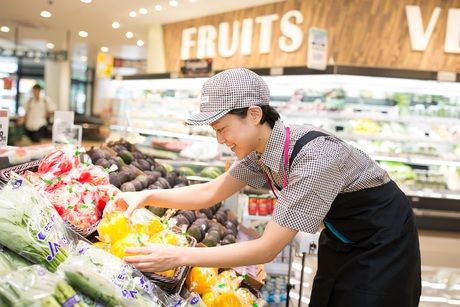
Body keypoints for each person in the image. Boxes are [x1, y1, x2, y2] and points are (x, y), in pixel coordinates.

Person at [116, 68, 421, 306]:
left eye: (222, 129)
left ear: (254, 114)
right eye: (215, 131)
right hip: (342, 238)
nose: (220, 140)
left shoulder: (315, 160)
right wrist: (146, 195)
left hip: (384, 242)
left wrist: (179, 256)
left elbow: (266, 248)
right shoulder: (260, 152)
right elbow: (210, 192)